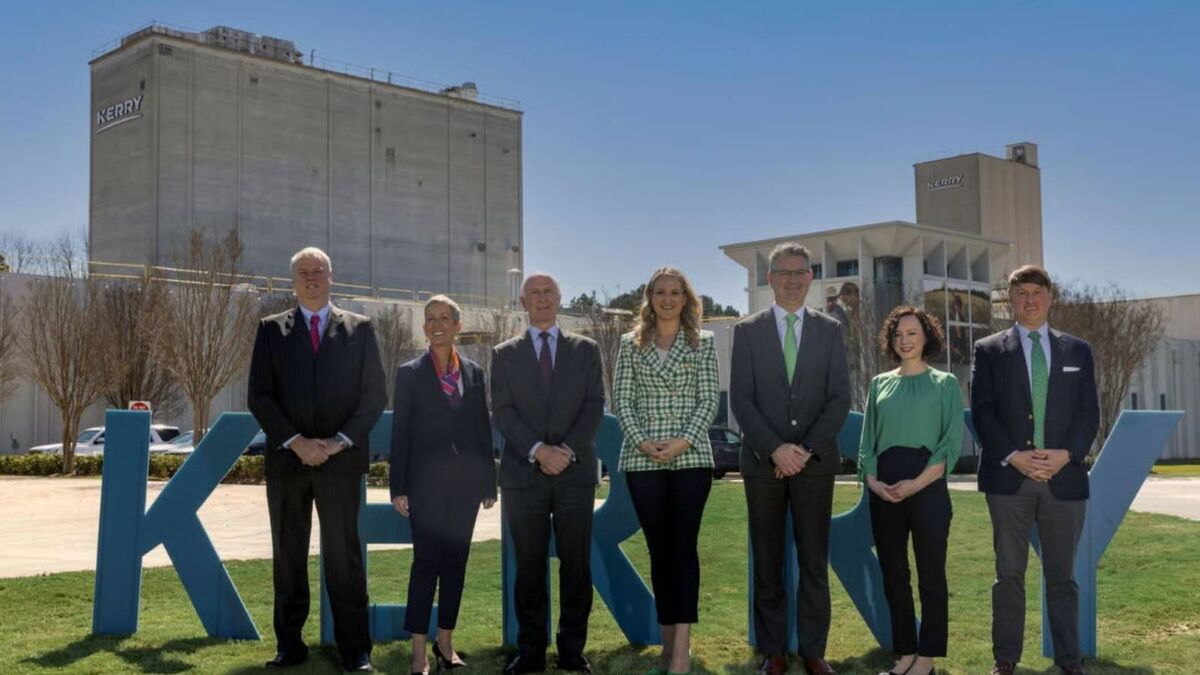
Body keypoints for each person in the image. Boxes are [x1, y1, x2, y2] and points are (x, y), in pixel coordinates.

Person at [247, 246, 386, 672]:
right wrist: (296, 441)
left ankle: (354, 649)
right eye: (303, 272)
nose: (311, 278)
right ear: (293, 281)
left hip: (341, 464)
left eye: (318, 271)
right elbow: (260, 396)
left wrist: (339, 442)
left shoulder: (359, 329)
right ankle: (290, 645)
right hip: (288, 464)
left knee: (345, 558)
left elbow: (374, 396)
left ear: (331, 277)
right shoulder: (271, 330)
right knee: (288, 557)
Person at [730, 242, 851, 675]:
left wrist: (804, 451)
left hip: (815, 466)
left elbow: (840, 398)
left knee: (814, 562)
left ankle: (814, 651)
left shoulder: (830, 330)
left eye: (802, 272)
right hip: (762, 464)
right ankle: (774, 651)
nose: (793, 280)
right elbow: (742, 401)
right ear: (771, 279)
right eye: (785, 272)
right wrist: (775, 449)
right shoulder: (747, 331)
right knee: (768, 562)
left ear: (811, 278)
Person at [973, 265, 1099, 675]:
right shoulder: (989, 349)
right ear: (1011, 298)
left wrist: (1067, 456)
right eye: (1021, 292)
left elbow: (1089, 415)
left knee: (1062, 577)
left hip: (1064, 479)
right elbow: (984, 413)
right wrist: (1014, 456)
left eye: (1037, 292)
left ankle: (1069, 660)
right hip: (1010, 479)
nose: (1030, 299)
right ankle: (1006, 659)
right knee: (1008, 575)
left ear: (1050, 297)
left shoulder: (1077, 350)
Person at [491, 273, 606, 675]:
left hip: (574, 476)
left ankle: (572, 652)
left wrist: (566, 452)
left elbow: (594, 406)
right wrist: (539, 451)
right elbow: (502, 411)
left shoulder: (587, 350)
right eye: (533, 293)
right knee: (529, 568)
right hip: (524, 478)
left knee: (576, 566)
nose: (541, 299)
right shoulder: (503, 354)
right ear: (524, 302)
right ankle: (532, 652)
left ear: (560, 299)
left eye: (548, 293)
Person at [612, 267, 720, 675]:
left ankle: (682, 649)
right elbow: (622, 399)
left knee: (683, 549)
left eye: (676, 292)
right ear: (649, 297)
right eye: (661, 292)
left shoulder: (703, 342)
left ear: (687, 298)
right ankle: (667, 637)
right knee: (660, 551)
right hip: (643, 460)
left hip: (690, 457)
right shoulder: (629, 343)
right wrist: (642, 441)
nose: (668, 299)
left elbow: (709, 400)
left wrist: (681, 441)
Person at [389, 295, 497, 675]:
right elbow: (400, 432)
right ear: (424, 328)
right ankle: (418, 650)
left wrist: (488, 482)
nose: (437, 324)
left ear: (457, 326)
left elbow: (482, 430)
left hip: (465, 488)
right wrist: (397, 486)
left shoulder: (473, 372)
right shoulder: (409, 373)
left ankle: (445, 642)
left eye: (444, 318)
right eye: (430, 318)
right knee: (426, 563)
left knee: (456, 564)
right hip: (424, 486)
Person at [858, 306, 963, 675]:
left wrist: (915, 484)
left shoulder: (945, 384)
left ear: (926, 337)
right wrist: (873, 482)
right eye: (898, 334)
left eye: (912, 333)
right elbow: (866, 443)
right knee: (894, 574)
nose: (904, 340)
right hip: (884, 491)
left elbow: (950, 444)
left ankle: (927, 658)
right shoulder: (878, 384)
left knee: (931, 574)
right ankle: (904, 654)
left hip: (928, 488)